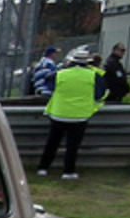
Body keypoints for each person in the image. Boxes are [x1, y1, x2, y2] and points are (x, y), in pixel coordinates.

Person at [36, 46, 107, 180]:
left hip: (58, 113)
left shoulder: (60, 74)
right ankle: (68, 171)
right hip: (79, 115)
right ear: (87, 62)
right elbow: (99, 94)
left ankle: (43, 168)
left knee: (52, 143)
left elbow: (47, 85)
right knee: (72, 146)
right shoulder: (94, 76)